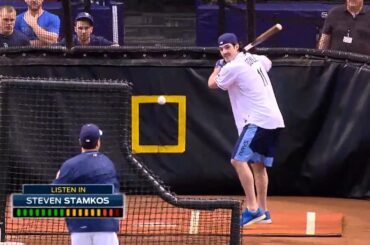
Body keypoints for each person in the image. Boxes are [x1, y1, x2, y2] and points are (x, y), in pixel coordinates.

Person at [208, 33, 285, 226]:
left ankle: (252, 210)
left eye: (228, 47)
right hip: (272, 120)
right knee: (258, 166)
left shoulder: (232, 67)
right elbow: (267, 63)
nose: (225, 52)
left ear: (237, 46)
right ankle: (264, 212)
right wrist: (243, 58)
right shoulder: (256, 58)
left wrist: (218, 67)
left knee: (237, 160)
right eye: (221, 49)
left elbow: (211, 84)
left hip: (258, 121)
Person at [53, 123, 120, 245]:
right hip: (105, 225)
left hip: (79, 227)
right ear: (98, 142)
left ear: (80, 141)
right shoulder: (108, 163)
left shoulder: (69, 166)